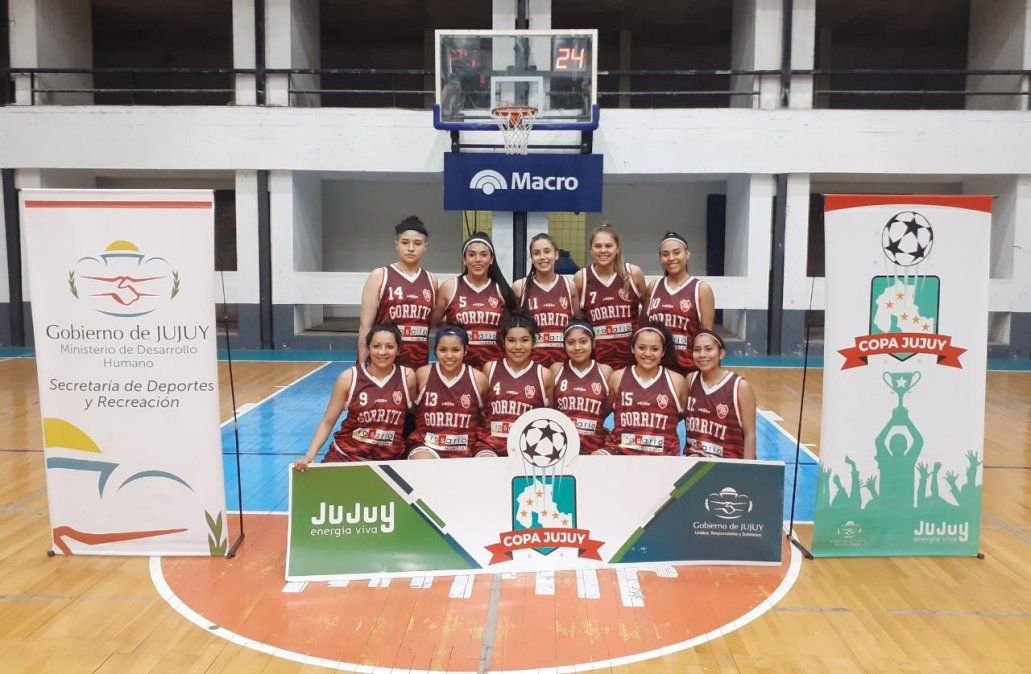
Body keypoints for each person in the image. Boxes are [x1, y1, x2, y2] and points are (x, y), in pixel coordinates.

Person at [294, 323, 416, 468]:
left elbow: (415, 416)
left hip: (388, 461)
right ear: (368, 348)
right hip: (346, 456)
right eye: (376, 346)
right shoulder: (349, 378)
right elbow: (328, 421)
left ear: (398, 350)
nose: (382, 352)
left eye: (389, 346)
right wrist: (310, 455)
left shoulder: (407, 377)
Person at [356, 216, 437, 369]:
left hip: (418, 362)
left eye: (417, 243)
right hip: (383, 362)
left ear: (425, 247)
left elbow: (430, 322)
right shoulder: (380, 275)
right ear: (397, 245)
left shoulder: (431, 280)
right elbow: (365, 326)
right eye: (405, 242)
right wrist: (362, 366)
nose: (411, 248)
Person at [434, 231, 516, 368]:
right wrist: (453, 327)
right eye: (472, 255)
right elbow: (432, 322)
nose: (478, 259)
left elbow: (512, 329)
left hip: (494, 367)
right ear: (464, 259)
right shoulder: (450, 287)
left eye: (484, 255)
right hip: (458, 367)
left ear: (491, 259)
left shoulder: (502, 290)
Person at [604, 321, 687, 456]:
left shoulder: (677, 381)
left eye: (655, 349)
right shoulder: (617, 377)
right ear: (632, 348)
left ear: (663, 352)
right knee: (596, 459)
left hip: (662, 455)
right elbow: (601, 414)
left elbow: (688, 418)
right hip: (620, 451)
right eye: (642, 347)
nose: (648, 353)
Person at [481, 311, 554, 457]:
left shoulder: (544, 375)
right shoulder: (490, 369)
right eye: (511, 340)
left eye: (524, 340)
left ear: (534, 341)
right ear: (503, 342)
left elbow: (549, 416)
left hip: (528, 448)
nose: (518, 346)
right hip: (490, 446)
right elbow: (481, 411)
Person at [408, 325, 488, 459]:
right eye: (443, 350)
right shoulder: (422, 374)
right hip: (427, 445)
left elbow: (484, 416)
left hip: (467, 447)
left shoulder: (478, 379)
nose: (449, 355)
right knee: (424, 462)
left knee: (487, 462)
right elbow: (412, 411)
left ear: (465, 350)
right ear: (435, 350)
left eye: (455, 350)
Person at [574, 224, 647, 369]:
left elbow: (647, 310)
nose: (603, 250)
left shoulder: (633, 273)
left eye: (608, 246)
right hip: (597, 362)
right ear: (590, 249)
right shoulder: (581, 278)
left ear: (617, 248)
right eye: (598, 246)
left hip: (631, 360)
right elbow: (578, 321)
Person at [643, 231, 715, 376]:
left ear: (687, 254)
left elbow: (707, 337)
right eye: (665, 254)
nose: (671, 258)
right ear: (660, 258)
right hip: (656, 367)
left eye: (676, 253)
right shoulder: (653, 287)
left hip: (687, 368)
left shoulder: (701, 289)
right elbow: (644, 327)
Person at [684, 329, 757, 460]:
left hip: (728, 464)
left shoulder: (740, 386)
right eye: (697, 350)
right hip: (694, 463)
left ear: (721, 353)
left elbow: (750, 434)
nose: (702, 354)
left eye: (708, 349)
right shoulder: (690, 380)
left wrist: (748, 469)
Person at [512, 233, 576, 367]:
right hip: (531, 364)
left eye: (547, 251)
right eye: (536, 253)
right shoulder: (519, 287)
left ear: (556, 255)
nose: (542, 257)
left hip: (563, 364)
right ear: (531, 258)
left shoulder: (570, 286)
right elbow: (511, 328)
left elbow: (577, 325)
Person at [549, 318, 612, 454]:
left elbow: (605, 410)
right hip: (560, 445)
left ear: (593, 343)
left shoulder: (605, 371)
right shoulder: (556, 369)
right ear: (564, 345)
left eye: (583, 341)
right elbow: (550, 407)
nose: (577, 347)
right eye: (571, 342)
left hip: (595, 447)